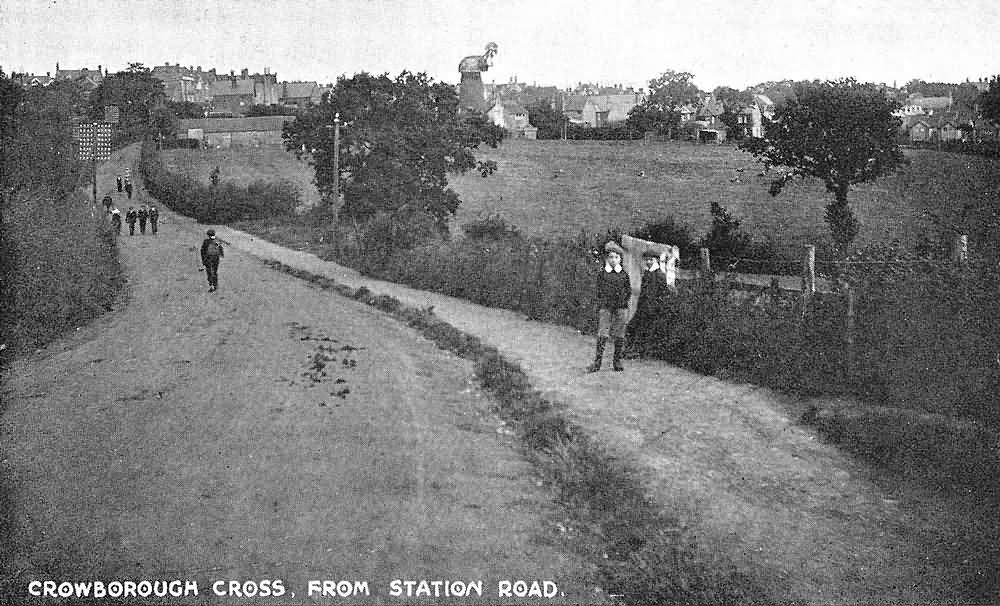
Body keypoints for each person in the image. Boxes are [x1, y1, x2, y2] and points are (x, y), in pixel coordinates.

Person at [588, 241, 631, 373]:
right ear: (607, 258)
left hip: (620, 307)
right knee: (603, 333)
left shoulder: (624, 275)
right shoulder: (602, 274)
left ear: (620, 259)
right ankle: (597, 363)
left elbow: (628, 291)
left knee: (619, 334)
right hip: (606, 307)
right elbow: (598, 290)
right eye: (611, 257)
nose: (613, 260)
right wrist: (602, 302)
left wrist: (622, 302)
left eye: (616, 257)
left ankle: (617, 362)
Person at [627, 250, 669, 358]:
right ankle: (630, 349)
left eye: (651, 259)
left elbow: (663, 293)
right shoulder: (647, 273)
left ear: (656, 260)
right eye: (647, 260)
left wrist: (656, 305)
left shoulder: (659, 275)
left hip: (652, 308)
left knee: (644, 330)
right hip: (643, 307)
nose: (649, 262)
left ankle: (638, 352)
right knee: (631, 327)